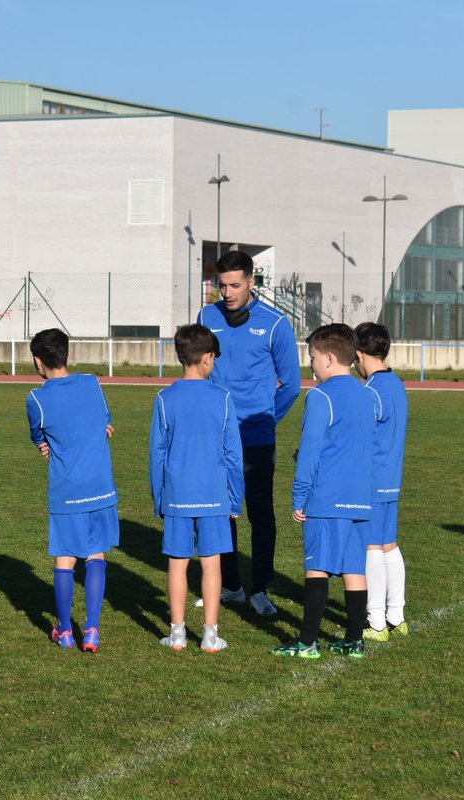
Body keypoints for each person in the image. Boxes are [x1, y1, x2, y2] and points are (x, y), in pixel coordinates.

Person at [197, 250, 301, 617]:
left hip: (257, 437)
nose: (227, 293)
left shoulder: (275, 324)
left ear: (251, 282)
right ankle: (231, 586)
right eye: (221, 285)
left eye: (235, 285)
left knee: (260, 513)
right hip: (218, 438)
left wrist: (267, 418)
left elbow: (291, 384)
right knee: (222, 511)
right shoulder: (206, 317)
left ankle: (259, 588)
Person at [272, 324, 377, 659]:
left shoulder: (320, 395)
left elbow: (311, 452)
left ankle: (307, 641)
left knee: (316, 567)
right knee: (354, 568)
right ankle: (354, 639)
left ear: (330, 358)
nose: (310, 365)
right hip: (361, 498)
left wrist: (298, 498)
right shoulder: (366, 393)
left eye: (313, 358)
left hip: (327, 498)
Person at [150, 325, 244, 652]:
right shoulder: (223, 398)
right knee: (211, 562)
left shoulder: (164, 398)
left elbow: (156, 454)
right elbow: (234, 454)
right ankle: (210, 634)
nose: (215, 364)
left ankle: (177, 633)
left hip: (177, 494)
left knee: (177, 563)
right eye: (214, 358)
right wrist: (236, 499)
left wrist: (159, 497)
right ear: (206, 358)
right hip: (214, 495)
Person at [26, 328, 118, 653]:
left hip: (67, 488)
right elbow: (105, 422)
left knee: (65, 558)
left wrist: (44, 444)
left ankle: (65, 631)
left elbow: (38, 437)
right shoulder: (92, 382)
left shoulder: (36, 398)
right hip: (100, 485)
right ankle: (92, 630)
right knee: (95, 554)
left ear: (38, 361)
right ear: (69, 355)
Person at [354, 322, 409, 641]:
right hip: (392, 478)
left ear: (360, 354)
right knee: (389, 545)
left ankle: (375, 622)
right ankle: (397, 616)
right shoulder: (397, 384)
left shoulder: (371, 390)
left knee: (372, 546)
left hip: (371, 481)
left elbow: (359, 437)